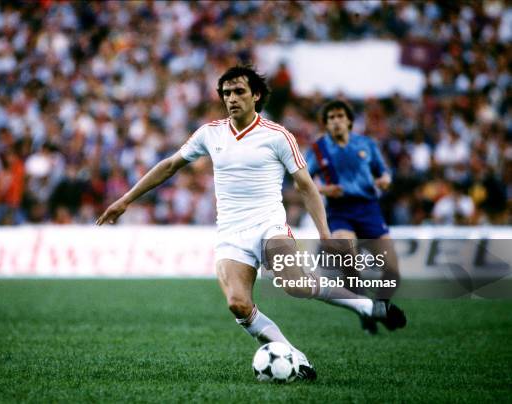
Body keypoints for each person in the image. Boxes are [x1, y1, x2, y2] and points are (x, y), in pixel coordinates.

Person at [97, 66, 405, 380]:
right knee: (238, 305)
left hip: (269, 224)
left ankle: (367, 307)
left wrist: (325, 235)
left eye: (239, 91)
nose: (231, 98)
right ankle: (295, 358)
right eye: (226, 93)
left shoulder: (277, 135)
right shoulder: (210, 133)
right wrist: (125, 200)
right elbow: (170, 165)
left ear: (255, 95)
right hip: (230, 233)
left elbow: (306, 186)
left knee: (295, 283)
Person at [305, 99, 404, 334]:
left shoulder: (366, 144)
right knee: (348, 255)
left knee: (392, 271)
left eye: (340, 116)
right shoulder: (318, 149)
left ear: (349, 120)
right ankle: (364, 308)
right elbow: (305, 182)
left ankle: (378, 307)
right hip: (340, 211)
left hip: (369, 208)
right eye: (331, 118)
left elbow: (383, 172)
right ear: (326, 123)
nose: (336, 121)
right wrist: (325, 189)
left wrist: (386, 181)